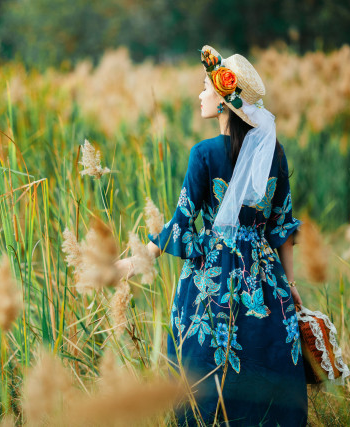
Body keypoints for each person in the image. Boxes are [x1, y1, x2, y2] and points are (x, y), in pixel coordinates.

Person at [116, 45, 308, 426]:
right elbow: (281, 226)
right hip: (263, 279)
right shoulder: (276, 154)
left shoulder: (203, 155)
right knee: (264, 354)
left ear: (224, 102)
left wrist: (140, 259)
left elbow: (182, 222)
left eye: (206, 86)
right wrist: (289, 284)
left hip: (212, 278)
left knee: (206, 361)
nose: (200, 93)